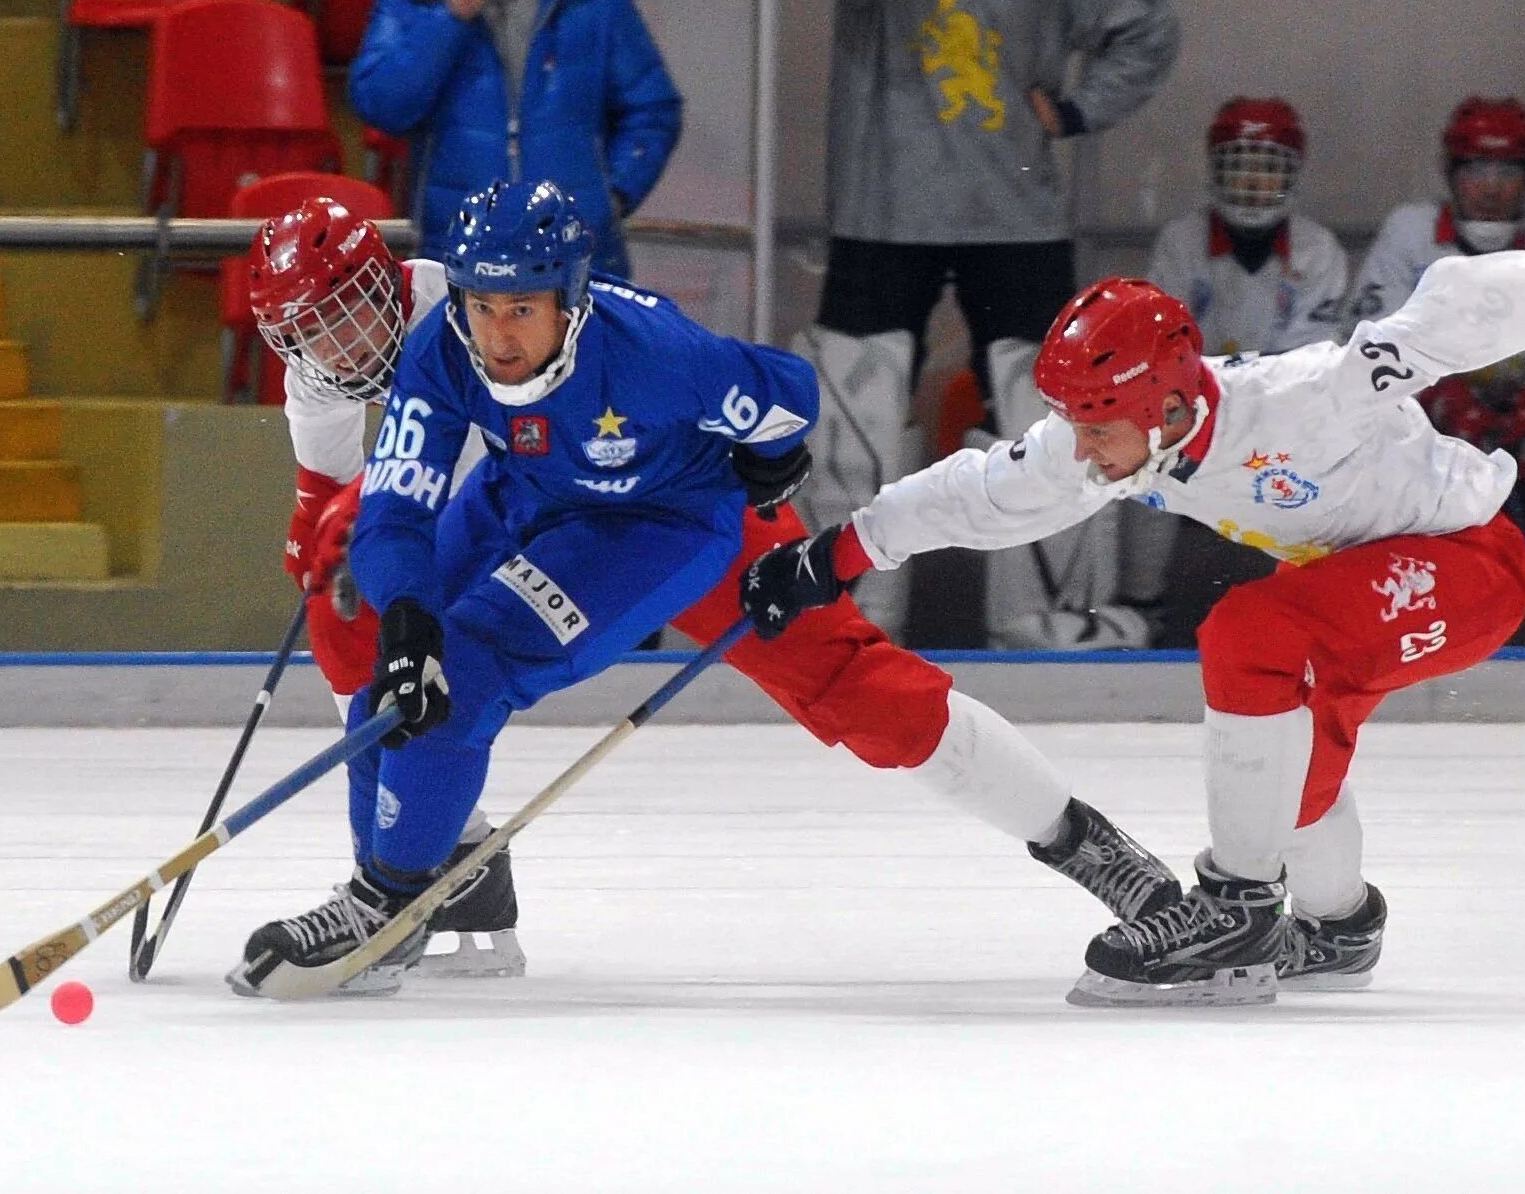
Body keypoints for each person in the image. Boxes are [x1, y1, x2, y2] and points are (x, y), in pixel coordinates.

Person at [230, 181, 1181, 998]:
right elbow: (383, 518)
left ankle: (1090, 846)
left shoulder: (645, 349)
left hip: (680, 520)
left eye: (522, 307)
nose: (497, 333)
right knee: (405, 657)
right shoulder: (430, 342)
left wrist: (772, 460)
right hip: (530, 499)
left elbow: (784, 393)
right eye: (483, 307)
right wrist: (402, 616)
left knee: (863, 695)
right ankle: (422, 877)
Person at [743, 201, 1525, 1007]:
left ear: (1166, 403)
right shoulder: (1119, 438)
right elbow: (988, 492)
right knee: (1290, 770)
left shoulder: (1308, 396)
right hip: (1348, 584)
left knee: (1250, 630)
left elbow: (1447, 315)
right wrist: (837, 553)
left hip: (1471, 561)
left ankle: (1234, 909)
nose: (1080, 446)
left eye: (1095, 425)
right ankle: (1341, 924)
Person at [803, 0, 1180, 644]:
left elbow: (1148, 22)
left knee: (1060, 412)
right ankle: (845, 617)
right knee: (853, 408)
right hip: (880, 210)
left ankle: (1050, 617)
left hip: (1016, 218)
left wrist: (1083, 108)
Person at [1349, 98, 1525, 641]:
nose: (1492, 187)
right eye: (1477, 169)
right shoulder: (1410, 231)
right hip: (1425, 424)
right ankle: (1397, 616)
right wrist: (1440, 397)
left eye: (1507, 170)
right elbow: (1373, 337)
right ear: (1452, 172)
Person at [348, 0, 681, 281]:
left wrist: (610, 195)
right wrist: (450, 18)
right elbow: (381, 107)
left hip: (579, 257)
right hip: (461, 258)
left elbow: (653, 109)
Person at [1123, 97, 1348, 622]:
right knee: (1142, 459)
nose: (1252, 184)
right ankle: (1140, 606)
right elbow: (1162, 349)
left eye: (1267, 169)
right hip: (1192, 410)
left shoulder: (1318, 250)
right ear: (1215, 171)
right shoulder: (1181, 242)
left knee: (1336, 469)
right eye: (1239, 167)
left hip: (1281, 417)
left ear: (1292, 174)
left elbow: (1311, 363)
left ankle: (1317, 610)